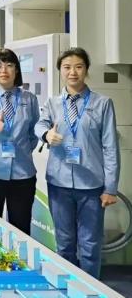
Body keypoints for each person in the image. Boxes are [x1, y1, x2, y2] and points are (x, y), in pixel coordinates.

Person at [35, 47, 119, 278]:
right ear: (60, 71)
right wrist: (46, 135)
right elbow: (40, 125)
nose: (73, 72)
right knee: (64, 243)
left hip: (91, 185)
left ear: (86, 70)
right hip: (59, 183)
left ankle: (90, 289)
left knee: (90, 245)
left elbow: (110, 147)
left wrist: (110, 188)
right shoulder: (52, 103)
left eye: (78, 67)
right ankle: (67, 287)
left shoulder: (103, 103)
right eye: (67, 67)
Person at [0, 48, 39, 235]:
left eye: (9, 65)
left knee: (21, 227)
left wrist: (23, 151)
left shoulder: (29, 98)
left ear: (16, 70)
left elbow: (34, 131)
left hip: (22, 173)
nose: (3, 70)